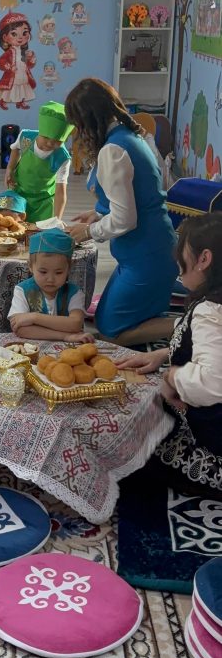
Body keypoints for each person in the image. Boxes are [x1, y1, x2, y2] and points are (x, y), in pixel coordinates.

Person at [118, 213, 222, 496]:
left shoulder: (209, 311)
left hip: (213, 442)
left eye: (182, 250)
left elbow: (212, 383)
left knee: (131, 443)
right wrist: (166, 352)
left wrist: (172, 376)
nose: (177, 259)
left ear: (204, 259)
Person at [65, 77, 177, 338]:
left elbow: (126, 219)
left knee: (112, 332)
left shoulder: (113, 150)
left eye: (78, 125)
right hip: (152, 248)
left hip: (147, 255)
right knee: (103, 320)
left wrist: (89, 232)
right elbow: (141, 194)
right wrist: (99, 212)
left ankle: (194, 326)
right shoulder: (133, 136)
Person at [8, 229, 93, 343]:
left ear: (69, 269)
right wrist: (65, 336)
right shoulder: (22, 290)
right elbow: (20, 329)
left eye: (58, 272)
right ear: (30, 266)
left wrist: (34, 317)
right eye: (43, 272)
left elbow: (76, 324)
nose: (50, 279)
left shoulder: (74, 292)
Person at [5, 101, 74, 223]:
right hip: (18, 192)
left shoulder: (62, 157)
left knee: (40, 229)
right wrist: (10, 169)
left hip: (43, 202)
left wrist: (57, 220)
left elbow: (60, 191)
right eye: (46, 138)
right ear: (40, 131)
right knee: (10, 223)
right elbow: (15, 149)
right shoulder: (26, 137)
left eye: (57, 141)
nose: (50, 143)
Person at [0, 11, 37, 111]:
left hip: (23, 74)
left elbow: (27, 65)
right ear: (5, 37)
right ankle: (2, 101)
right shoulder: (9, 52)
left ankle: (20, 101)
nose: (20, 37)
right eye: (14, 34)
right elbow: (0, 62)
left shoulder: (23, 52)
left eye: (24, 33)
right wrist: (8, 66)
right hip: (12, 76)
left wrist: (31, 59)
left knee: (22, 89)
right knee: (9, 91)